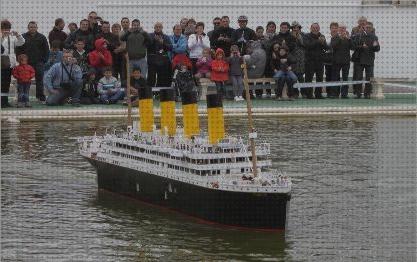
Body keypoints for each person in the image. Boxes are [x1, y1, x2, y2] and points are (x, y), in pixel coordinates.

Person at [19, 21, 49, 102]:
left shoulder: (42, 37)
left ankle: (40, 97)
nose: (33, 28)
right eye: (31, 27)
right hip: (26, 63)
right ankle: (24, 97)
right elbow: (18, 49)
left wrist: (44, 60)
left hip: (39, 62)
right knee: (24, 80)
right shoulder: (22, 37)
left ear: (37, 28)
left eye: (34, 27)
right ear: (28, 28)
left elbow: (46, 50)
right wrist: (20, 60)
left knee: (39, 79)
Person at [351, 21, 380, 99]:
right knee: (358, 77)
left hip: (369, 60)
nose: (367, 29)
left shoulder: (374, 37)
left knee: (369, 78)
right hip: (359, 60)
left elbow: (377, 49)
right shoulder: (358, 36)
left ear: (372, 29)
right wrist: (361, 47)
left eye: (369, 28)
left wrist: (376, 46)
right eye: (366, 27)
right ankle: (358, 93)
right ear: (364, 28)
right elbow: (353, 46)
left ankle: (367, 93)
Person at [1, 19, 25, 108]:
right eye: (4, 28)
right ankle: (2, 102)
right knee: (2, 83)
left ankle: (4, 101)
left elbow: (21, 43)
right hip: (2, 63)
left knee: (7, 83)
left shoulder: (12, 37)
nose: (6, 30)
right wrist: (2, 37)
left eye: (8, 28)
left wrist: (18, 35)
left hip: (10, 64)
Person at [304, 23, 329, 99]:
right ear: (311, 28)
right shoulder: (307, 36)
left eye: (317, 27)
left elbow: (326, 48)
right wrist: (318, 41)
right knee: (309, 78)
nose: (315, 29)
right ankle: (309, 94)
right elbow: (308, 46)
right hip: (310, 61)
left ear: (319, 28)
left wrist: (323, 42)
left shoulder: (322, 36)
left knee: (320, 78)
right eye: (314, 27)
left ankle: (318, 94)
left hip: (320, 61)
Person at [147, 22, 172, 87]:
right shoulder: (150, 36)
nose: (158, 28)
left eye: (159, 27)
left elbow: (170, 48)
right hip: (152, 61)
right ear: (154, 28)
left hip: (163, 61)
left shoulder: (166, 37)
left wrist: (163, 43)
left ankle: (160, 94)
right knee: (151, 79)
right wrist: (153, 40)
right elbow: (146, 46)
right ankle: (150, 94)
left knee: (162, 79)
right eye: (156, 27)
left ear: (162, 28)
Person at [331, 24, 352, 98]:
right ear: (339, 29)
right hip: (337, 61)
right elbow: (333, 46)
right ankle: (335, 93)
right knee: (336, 77)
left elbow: (352, 47)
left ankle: (344, 94)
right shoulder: (335, 37)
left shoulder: (348, 37)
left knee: (345, 78)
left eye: (344, 28)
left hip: (346, 61)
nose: (343, 30)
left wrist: (349, 39)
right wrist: (340, 38)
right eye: (341, 28)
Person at [290, 21, 306, 98]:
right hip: (292, 59)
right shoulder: (289, 36)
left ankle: (304, 93)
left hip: (301, 59)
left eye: (298, 28)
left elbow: (305, 45)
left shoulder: (303, 35)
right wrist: (293, 37)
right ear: (292, 29)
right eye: (294, 28)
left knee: (301, 77)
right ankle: (295, 93)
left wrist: (298, 37)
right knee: (293, 78)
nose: (296, 29)